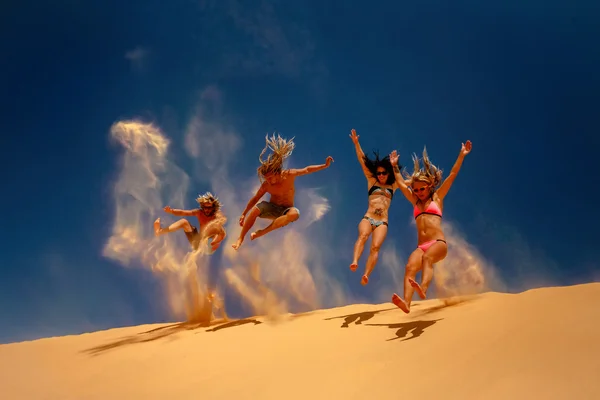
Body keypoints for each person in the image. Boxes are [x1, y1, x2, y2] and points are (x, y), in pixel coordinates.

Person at [388, 140, 472, 313]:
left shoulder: (437, 198)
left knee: (427, 260)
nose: (419, 192)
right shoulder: (415, 201)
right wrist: (394, 166)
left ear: (430, 186)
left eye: (422, 189)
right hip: (422, 246)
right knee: (410, 267)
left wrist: (462, 155)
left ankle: (424, 289)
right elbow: (402, 185)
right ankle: (407, 303)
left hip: (438, 243)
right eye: (416, 190)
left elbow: (452, 174)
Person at [232, 133, 334, 250]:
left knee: (295, 213)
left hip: (285, 211)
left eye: (270, 178)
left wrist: (324, 165)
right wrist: (244, 213)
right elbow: (255, 198)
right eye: (266, 179)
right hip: (271, 208)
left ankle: (262, 232)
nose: (268, 181)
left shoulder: (289, 175)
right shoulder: (266, 186)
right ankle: (240, 238)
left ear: (277, 173)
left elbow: (306, 169)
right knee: (257, 208)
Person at [348, 128, 407, 286]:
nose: (380, 175)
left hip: (382, 222)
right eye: (379, 172)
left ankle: (366, 274)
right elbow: (362, 160)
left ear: (388, 173)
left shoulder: (393, 186)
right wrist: (356, 143)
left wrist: (426, 178)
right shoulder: (371, 181)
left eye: (383, 173)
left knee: (375, 248)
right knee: (363, 236)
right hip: (368, 217)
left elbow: (410, 182)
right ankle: (355, 261)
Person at [154, 192, 227, 253]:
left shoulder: (216, 214)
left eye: (209, 208)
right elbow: (183, 212)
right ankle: (160, 231)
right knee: (184, 222)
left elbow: (222, 219)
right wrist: (171, 211)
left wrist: (216, 224)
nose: (207, 210)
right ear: (203, 207)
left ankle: (212, 242)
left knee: (220, 230)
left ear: (213, 208)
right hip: (198, 243)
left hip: (210, 245)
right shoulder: (199, 213)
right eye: (205, 207)